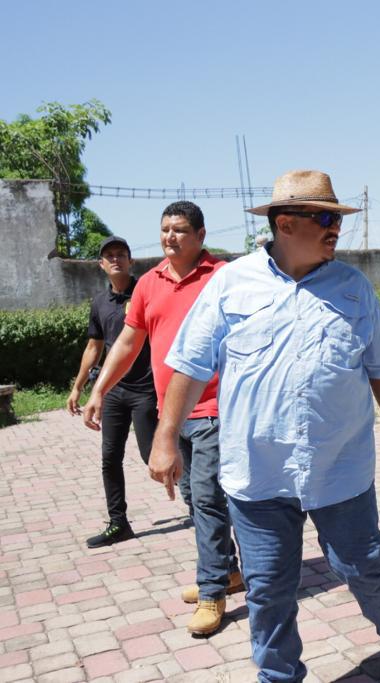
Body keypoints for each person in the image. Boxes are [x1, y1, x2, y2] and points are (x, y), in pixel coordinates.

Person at [149, 170, 380, 682]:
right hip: (258, 474)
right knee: (268, 588)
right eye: (326, 218)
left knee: (363, 567)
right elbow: (187, 364)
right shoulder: (231, 284)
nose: (335, 228)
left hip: (339, 470)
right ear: (287, 223)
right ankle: (278, 675)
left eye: (336, 218)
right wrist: (166, 438)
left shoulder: (353, 288)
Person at [81, 201, 243, 636]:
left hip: (216, 407)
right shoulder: (149, 283)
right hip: (172, 412)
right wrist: (99, 389)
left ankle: (212, 592)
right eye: (165, 229)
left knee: (207, 497)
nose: (170, 237)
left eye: (180, 230)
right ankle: (227, 570)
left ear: (201, 235)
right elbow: (129, 341)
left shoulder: (222, 276)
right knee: (193, 495)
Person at [67, 236, 158, 548]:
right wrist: (79, 387)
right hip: (115, 391)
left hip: (148, 388)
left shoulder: (146, 291)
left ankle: (200, 501)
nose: (116, 259)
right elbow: (94, 347)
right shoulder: (99, 303)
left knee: (152, 456)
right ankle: (118, 523)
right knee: (109, 458)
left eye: (121, 254)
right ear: (101, 264)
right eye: (109, 256)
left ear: (131, 261)